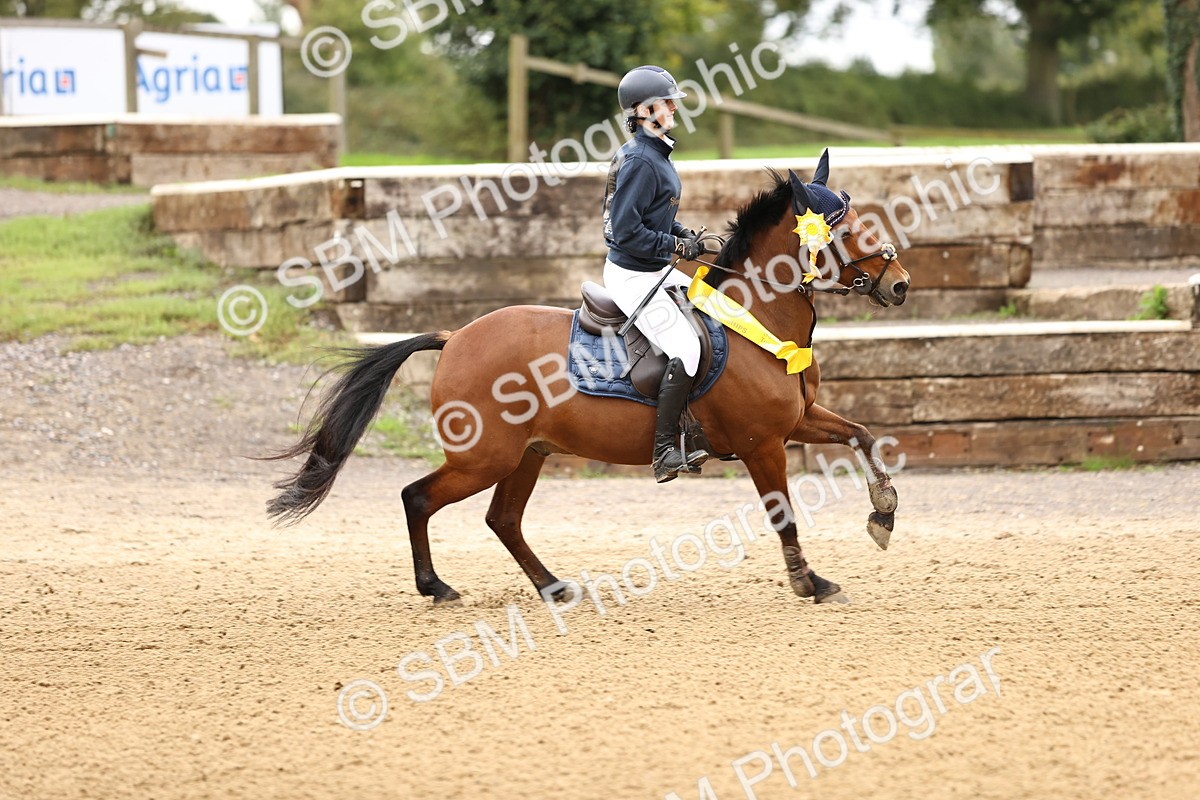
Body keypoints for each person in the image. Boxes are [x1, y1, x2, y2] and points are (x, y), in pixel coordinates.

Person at [601, 65, 710, 484]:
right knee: (687, 347)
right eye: (666, 102)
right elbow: (627, 232)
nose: (673, 107)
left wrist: (684, 235)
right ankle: (664, 450)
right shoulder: (643, 161)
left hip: (654, 270)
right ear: (644, 110)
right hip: (634, 276)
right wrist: (674, 246)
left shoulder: (654, 153)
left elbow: (655, 217)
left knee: (716, 310)